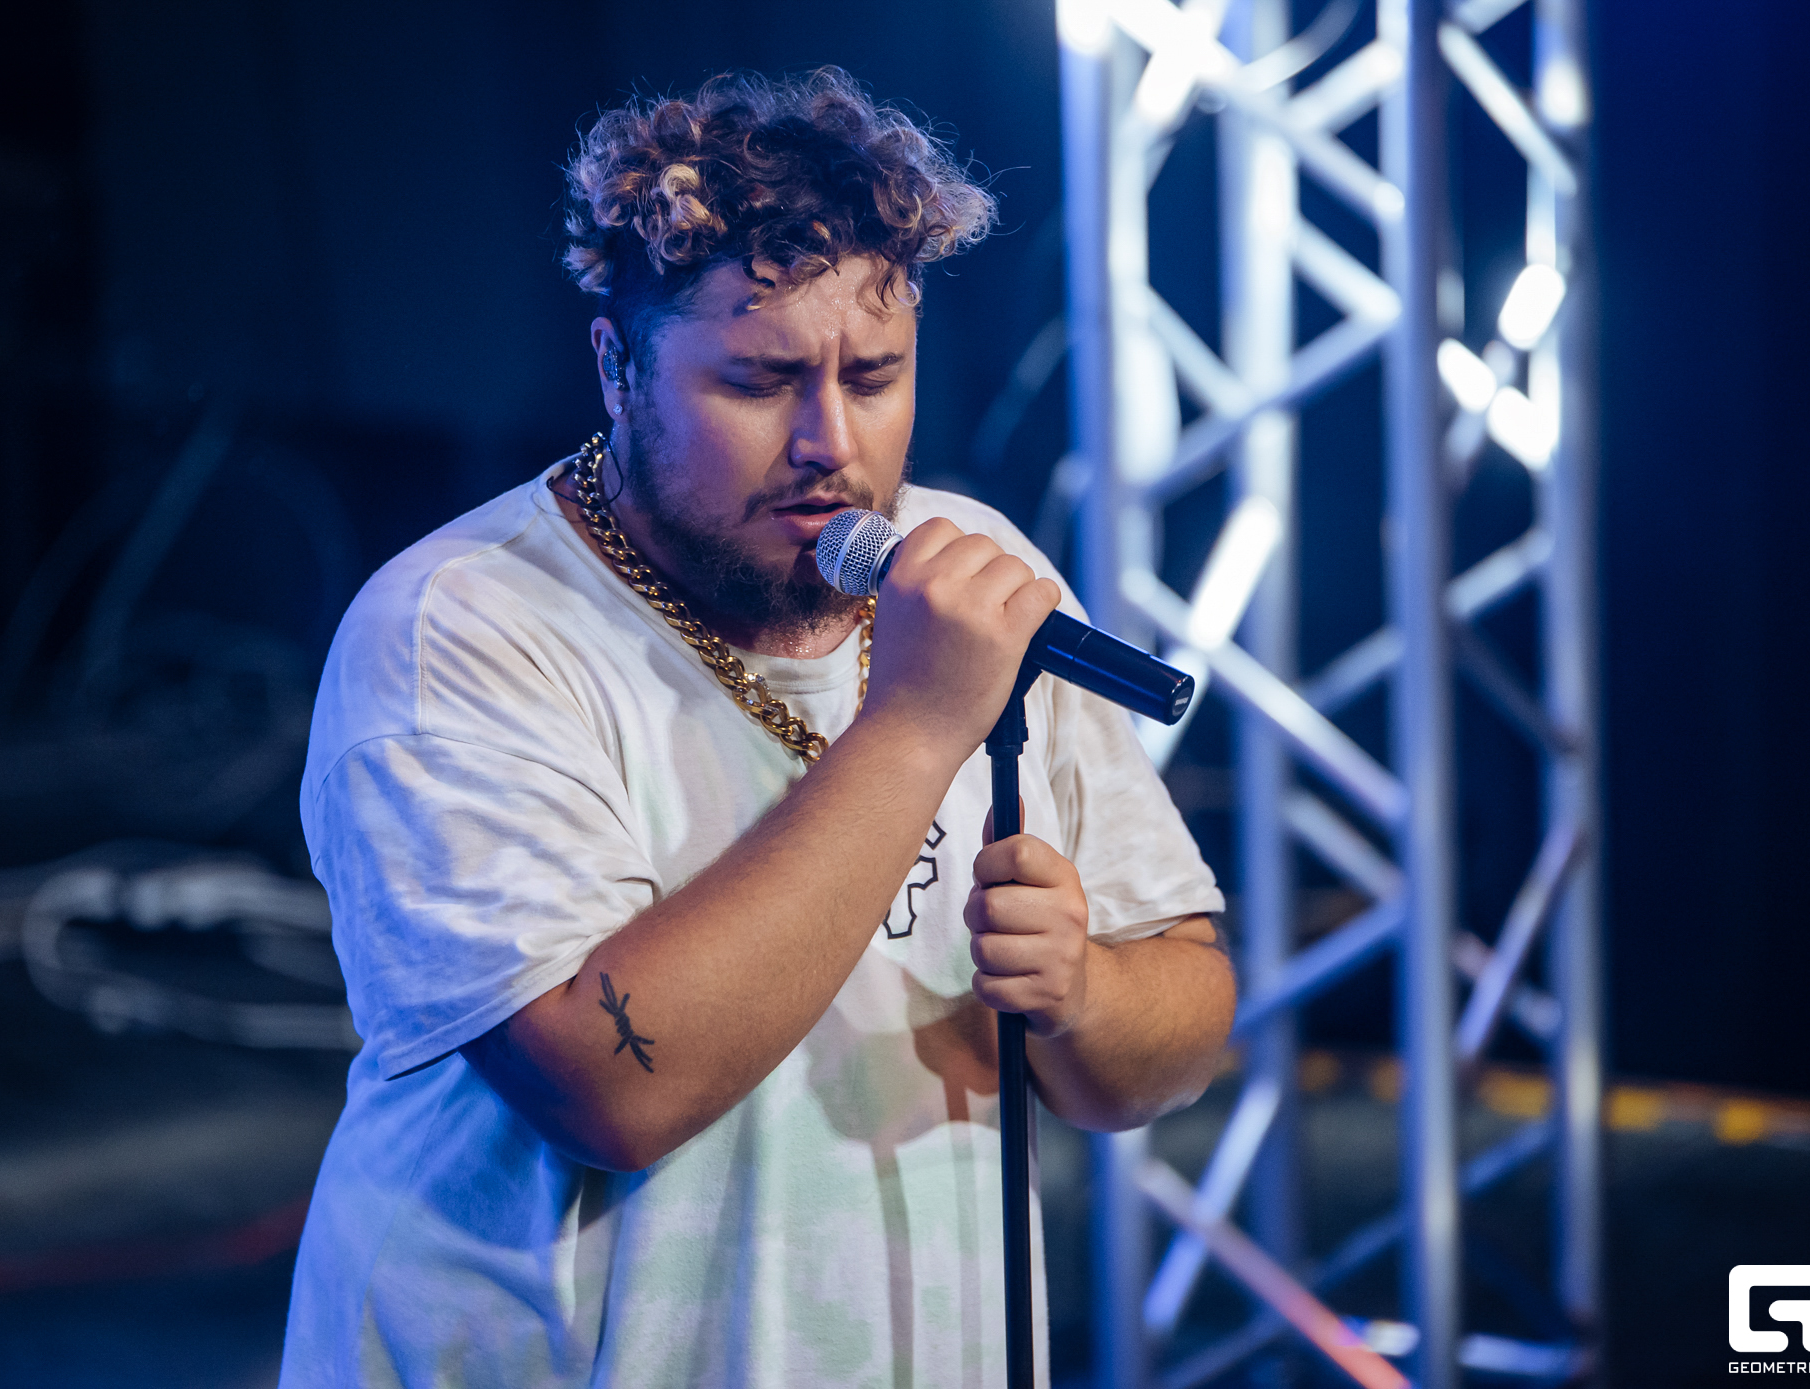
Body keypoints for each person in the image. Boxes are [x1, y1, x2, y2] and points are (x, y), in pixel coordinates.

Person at [280, 68, 1235, 1388]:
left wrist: (1084, 993)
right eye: (760, 380)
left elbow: (1181, 1024)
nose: (828, 442)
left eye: (875, 376)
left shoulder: (976, 576)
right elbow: (610, 1091)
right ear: (617, 368)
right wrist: (915, 729)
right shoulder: (461, 627)